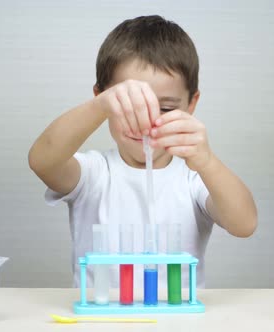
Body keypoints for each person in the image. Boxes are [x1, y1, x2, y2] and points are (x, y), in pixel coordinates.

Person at [29, 15, 257, 288]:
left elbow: (244, 225)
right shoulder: (94, 174)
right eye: (130, 105)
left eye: (166, 108)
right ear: (101, 97)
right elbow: (42, 160)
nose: (146, 122)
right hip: (101, 322)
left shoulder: (194, 179)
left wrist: (207, 162)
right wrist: (99, 107)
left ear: (191, 104)